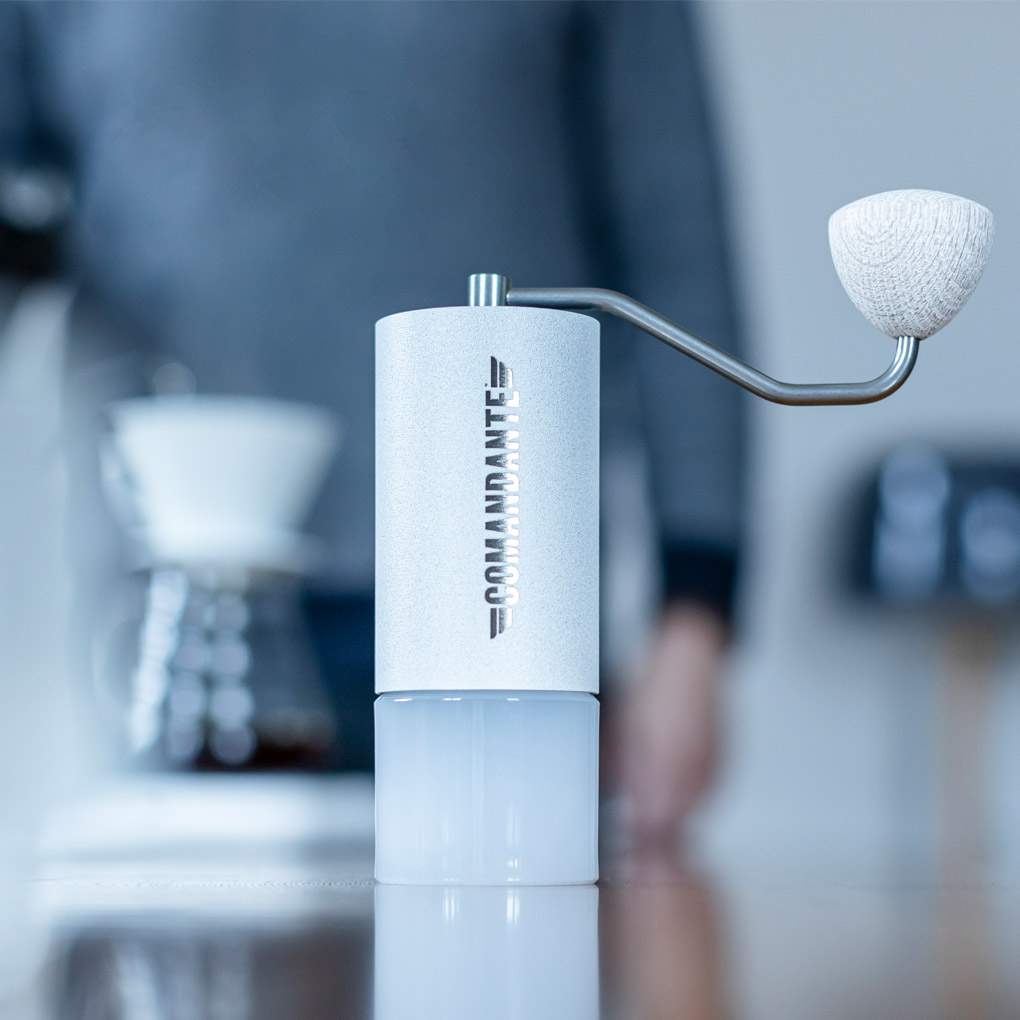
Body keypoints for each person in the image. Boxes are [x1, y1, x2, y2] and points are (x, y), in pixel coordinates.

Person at [0, 1, 745, 842]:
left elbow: (677, 237)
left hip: (494, 600)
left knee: (505, 907)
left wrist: (694, 615)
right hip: (172, 607)